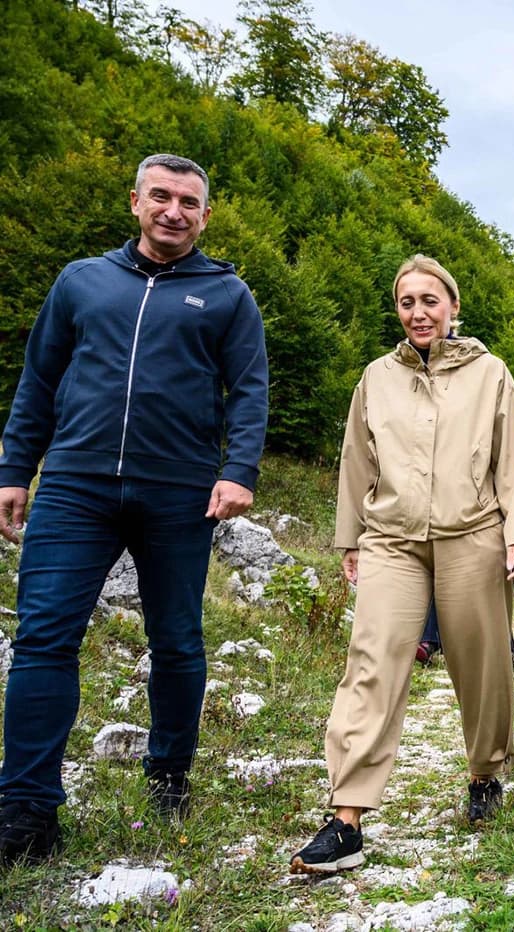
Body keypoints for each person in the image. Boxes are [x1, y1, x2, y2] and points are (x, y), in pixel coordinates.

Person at [0, 154, 268, 866]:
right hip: (74, 486)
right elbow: (40, 377)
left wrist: (238, 471)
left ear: (205, 215)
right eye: (161, 196)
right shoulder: (81, 281)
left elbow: (248, 390)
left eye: (189, 201)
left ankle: (169, 771)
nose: (173, 210)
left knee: (176, 638)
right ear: (135, 201)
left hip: (179, 490)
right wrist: (14, 469)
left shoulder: (227, 295)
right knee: (45, 637)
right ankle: (27, 808)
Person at [290, 255, 514, 874]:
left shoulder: (491, 374)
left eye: (430, 300)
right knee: (371, 661)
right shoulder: (376, 377)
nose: (418, 313)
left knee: (481, 664)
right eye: (407, 302)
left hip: (473, 533)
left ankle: (485, 772)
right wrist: (349, 538)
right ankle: (346, 817)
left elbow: (512, 459)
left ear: (453, 308)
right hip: (392, 539)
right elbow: (356, 460)